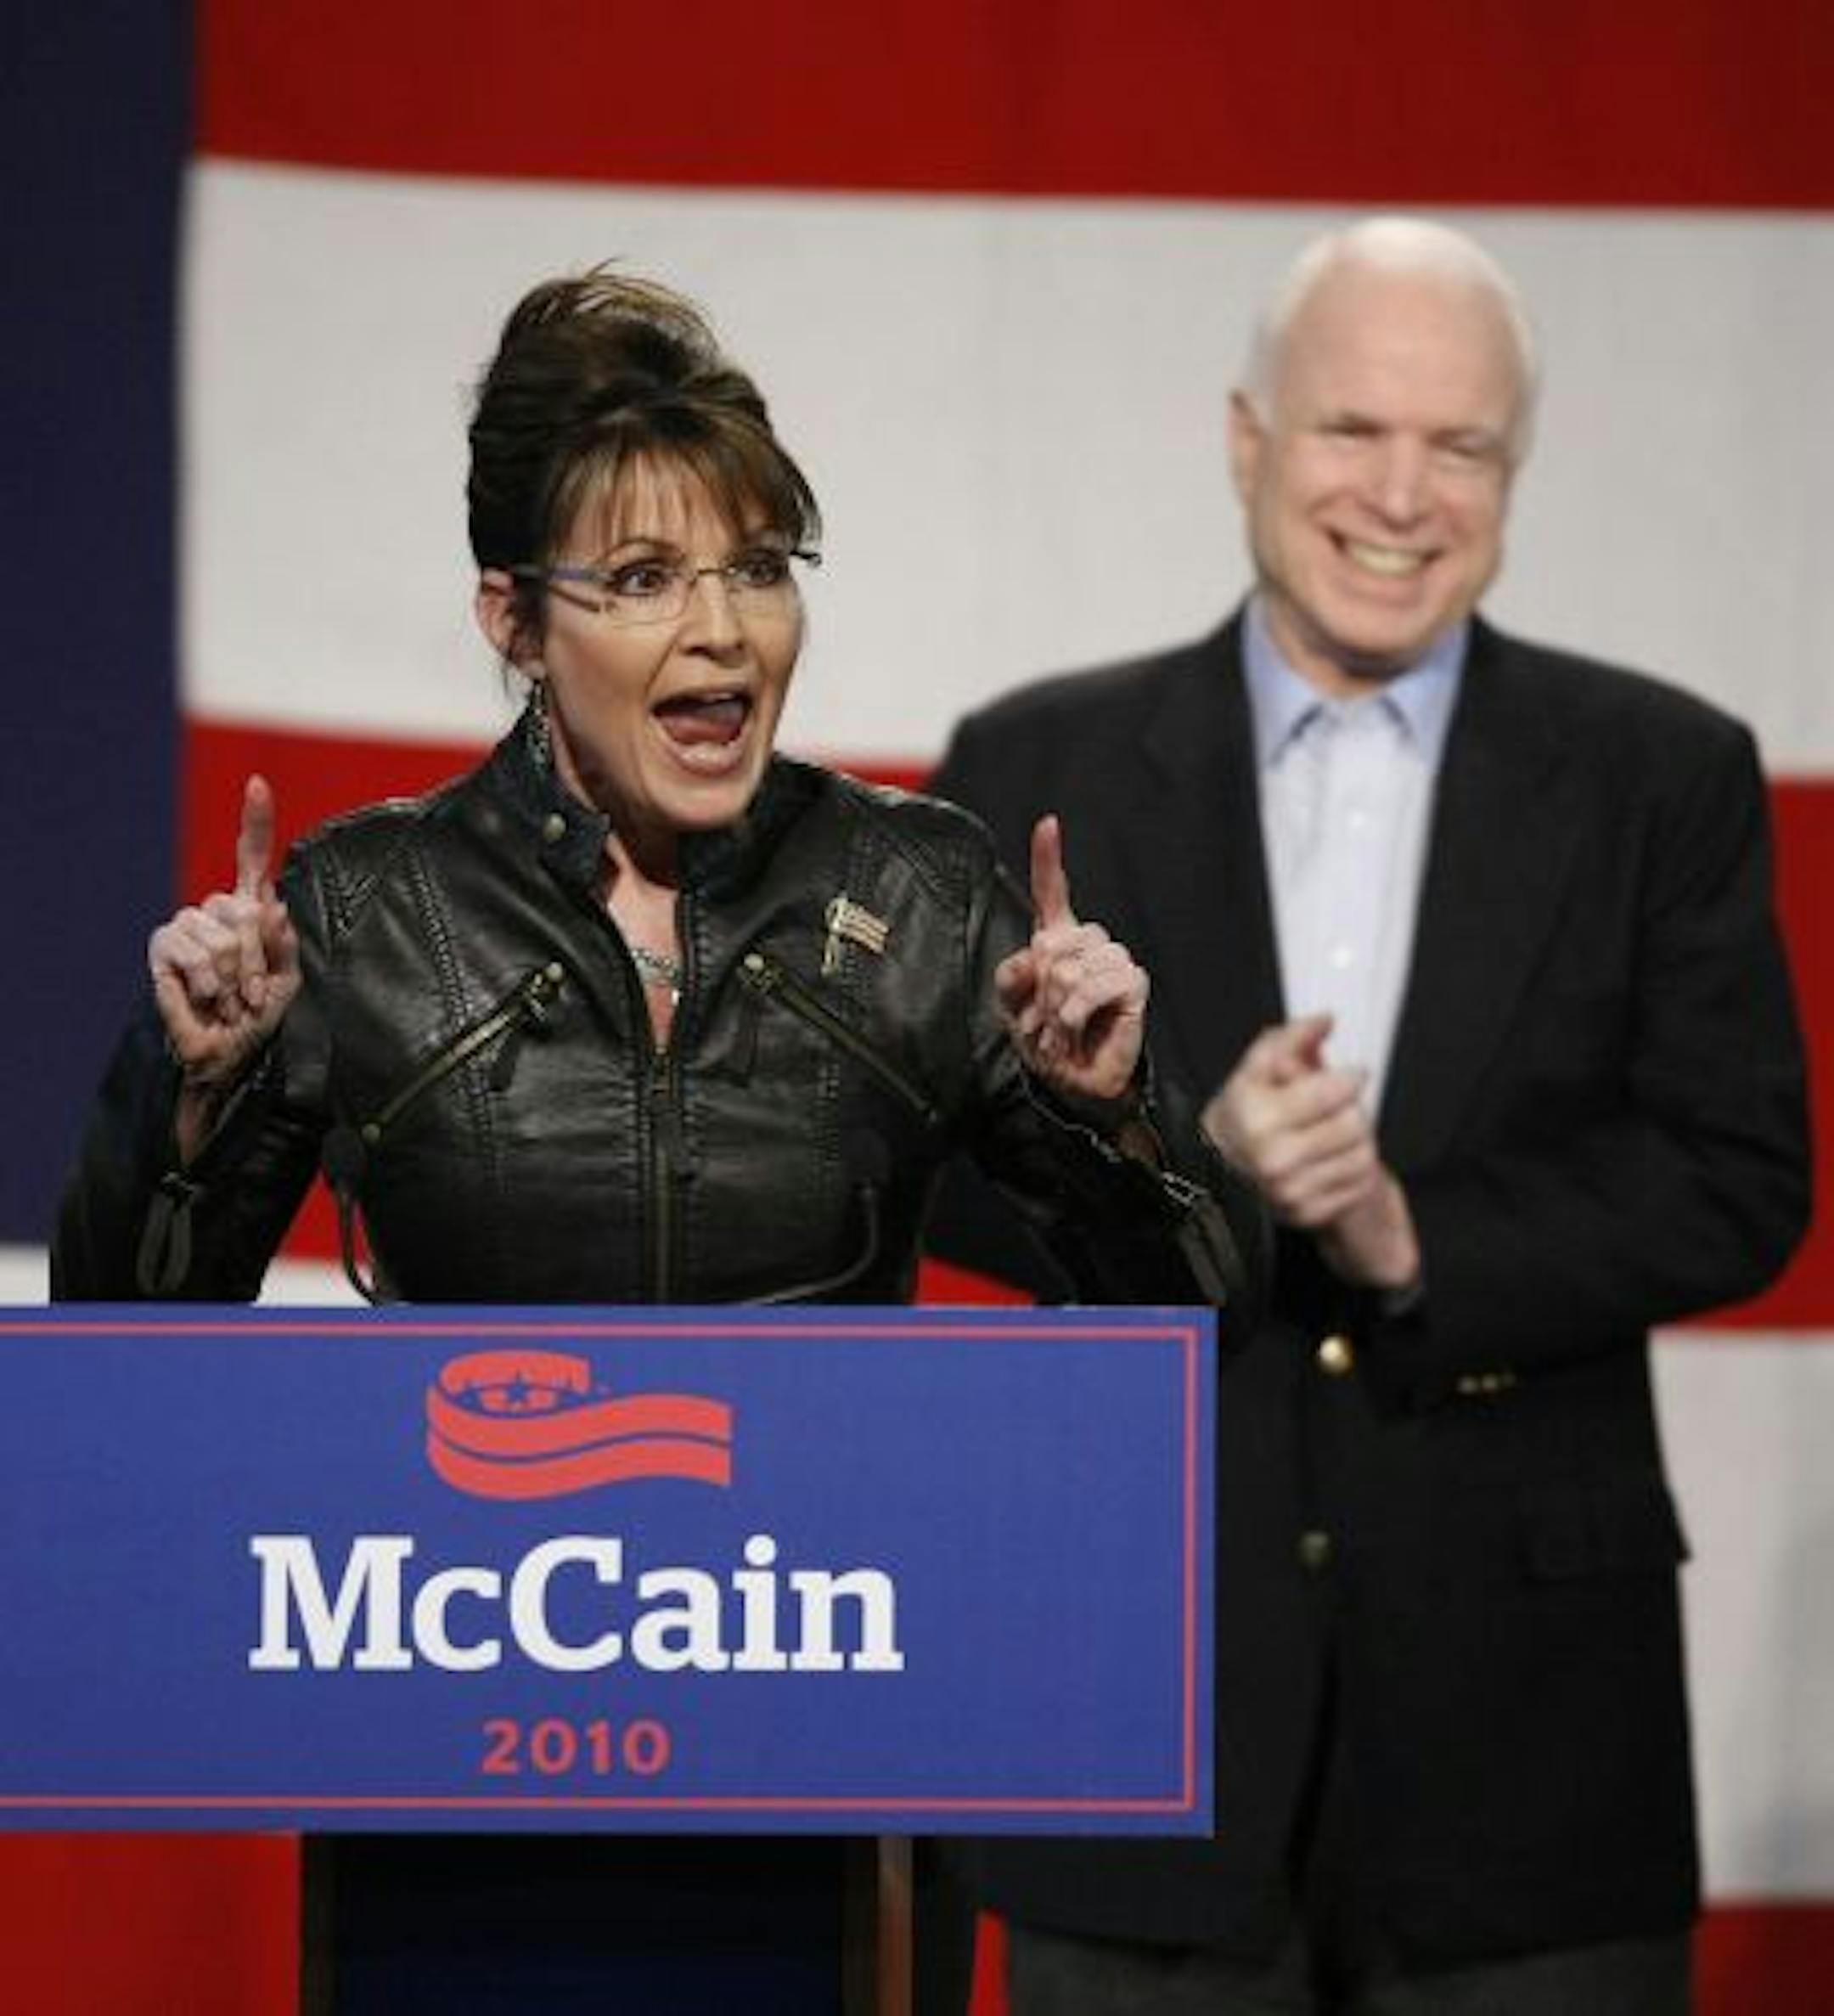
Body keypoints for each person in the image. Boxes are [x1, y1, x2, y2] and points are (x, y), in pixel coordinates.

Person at [52, 269, 1264, 2010]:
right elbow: (126, 1365)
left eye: (759, 567)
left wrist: (1115, 1114)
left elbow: (1212, 1312)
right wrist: (197, 1095)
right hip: (457, 1828)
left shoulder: (920, 898)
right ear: (513, 617)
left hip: (847, 1836)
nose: (723, 632)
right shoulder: (359, 913)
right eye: (641, 580)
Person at [925, 217, 1812, 2014]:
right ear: (1251, 441)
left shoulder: (1663, 772)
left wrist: (1421, 1240)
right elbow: (922, 1158)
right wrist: (1186, 1168)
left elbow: (1741, 1174)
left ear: (1515, 468)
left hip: (1532, 1752)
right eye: (1352, 431)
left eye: (1460, 444)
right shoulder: (1038, 764)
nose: (1402, 493)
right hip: (1146, 1719)